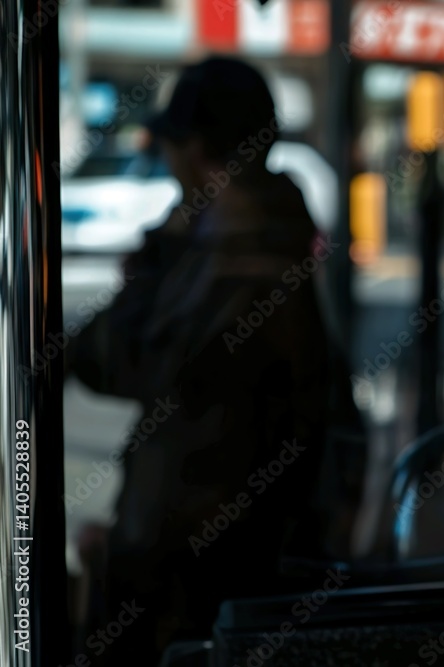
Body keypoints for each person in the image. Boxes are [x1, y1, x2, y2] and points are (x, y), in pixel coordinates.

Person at [66, 56, 365, 665]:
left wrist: (157, 258)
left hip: (195, 584)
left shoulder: (224, 262)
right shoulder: (267, 244)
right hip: (239, 566)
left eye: (173, 147)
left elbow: (113, 362)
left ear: (199, 153)